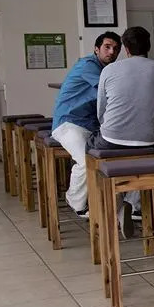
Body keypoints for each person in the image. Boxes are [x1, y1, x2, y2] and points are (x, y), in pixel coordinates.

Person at [93, 26, 154, 233]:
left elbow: (101, 111)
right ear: (148, 46)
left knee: (91, 146)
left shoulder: (109, 70)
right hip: (145, 143)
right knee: (145, 160)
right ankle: (132, 203)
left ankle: (107, 211)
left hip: (110, 140)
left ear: (126, 49)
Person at [51, 31, 121, 217]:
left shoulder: (107, 70)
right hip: (68, 123)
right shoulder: (88, 65)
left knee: (114, 157)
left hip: (90, 126)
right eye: (107, 47)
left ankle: (116, 206)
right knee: (85, 161)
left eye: (115, 49)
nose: (112, 52)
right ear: (96, 49)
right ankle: (76, 203)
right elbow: (109, 90)